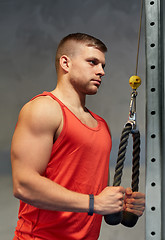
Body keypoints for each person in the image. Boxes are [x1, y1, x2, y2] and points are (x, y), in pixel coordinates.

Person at [11, 33, 145, 240]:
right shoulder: (43, 109)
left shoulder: (101, 126)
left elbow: (91, 193)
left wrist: (121, 205)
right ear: (66, 62)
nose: (101, 71)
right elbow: (24, 184)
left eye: (103, 66)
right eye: (92, 62)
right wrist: (95, 202)